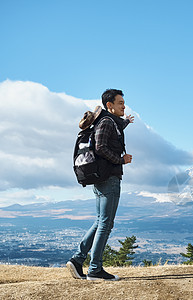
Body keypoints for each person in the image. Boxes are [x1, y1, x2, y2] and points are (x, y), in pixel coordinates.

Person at [66, 89, 134, 281]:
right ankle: (95, 269)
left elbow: (113, 133)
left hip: (101, 178)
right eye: (120, 102)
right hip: (109, 178)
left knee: (100, 221)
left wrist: (126, 122)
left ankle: (77, 260)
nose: (124, 105)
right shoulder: (106, 122)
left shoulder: (107, 121)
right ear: (109, 105)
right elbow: (101, 146)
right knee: (106, 223)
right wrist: (121, 160)